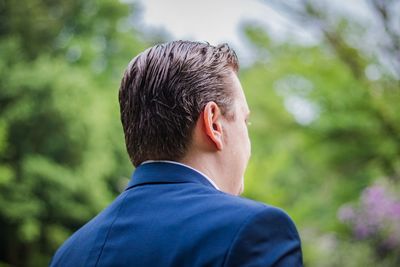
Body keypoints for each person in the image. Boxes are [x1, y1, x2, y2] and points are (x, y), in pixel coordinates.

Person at [50, 40, 303, 267]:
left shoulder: (69, 253)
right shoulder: (254, 232)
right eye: (244, 121)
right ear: (213, 124)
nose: (248, 139)